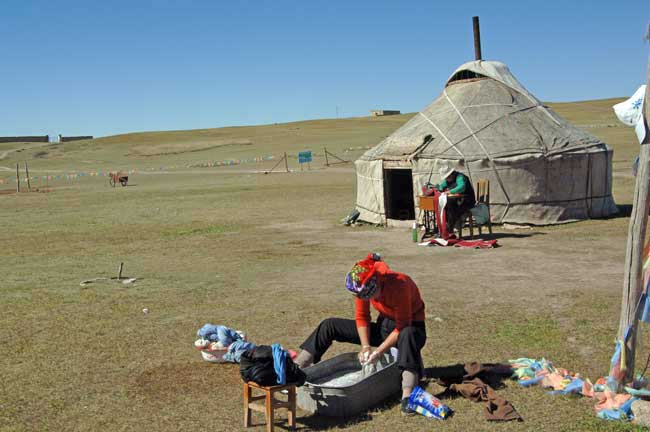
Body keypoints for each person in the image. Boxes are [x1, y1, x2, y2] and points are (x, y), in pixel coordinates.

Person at [294, 253, 426, 416]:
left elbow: (402, 325)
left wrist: (378, 352)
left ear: (376, 284)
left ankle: (408, 393)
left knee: (407, 334)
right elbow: (362, 316)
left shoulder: (400, 284)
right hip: (384, 327)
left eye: (367, 296)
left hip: (412, 329)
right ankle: (297, 368)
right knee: (330, 325)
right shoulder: (362, 286)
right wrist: (365, 347)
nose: (364, 299)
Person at [435, 166, 475, 233]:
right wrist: (439, 188)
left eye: (447, 177)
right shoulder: (448, 180)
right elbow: (442, 185)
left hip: (467, 200)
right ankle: (446, 227)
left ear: (451, 174)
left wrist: (450, 192)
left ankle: (450, 228)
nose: (446, 180)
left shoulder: (460, 177)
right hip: (457, 200)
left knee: (451, 207)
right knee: (446, 206)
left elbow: (461, 187)